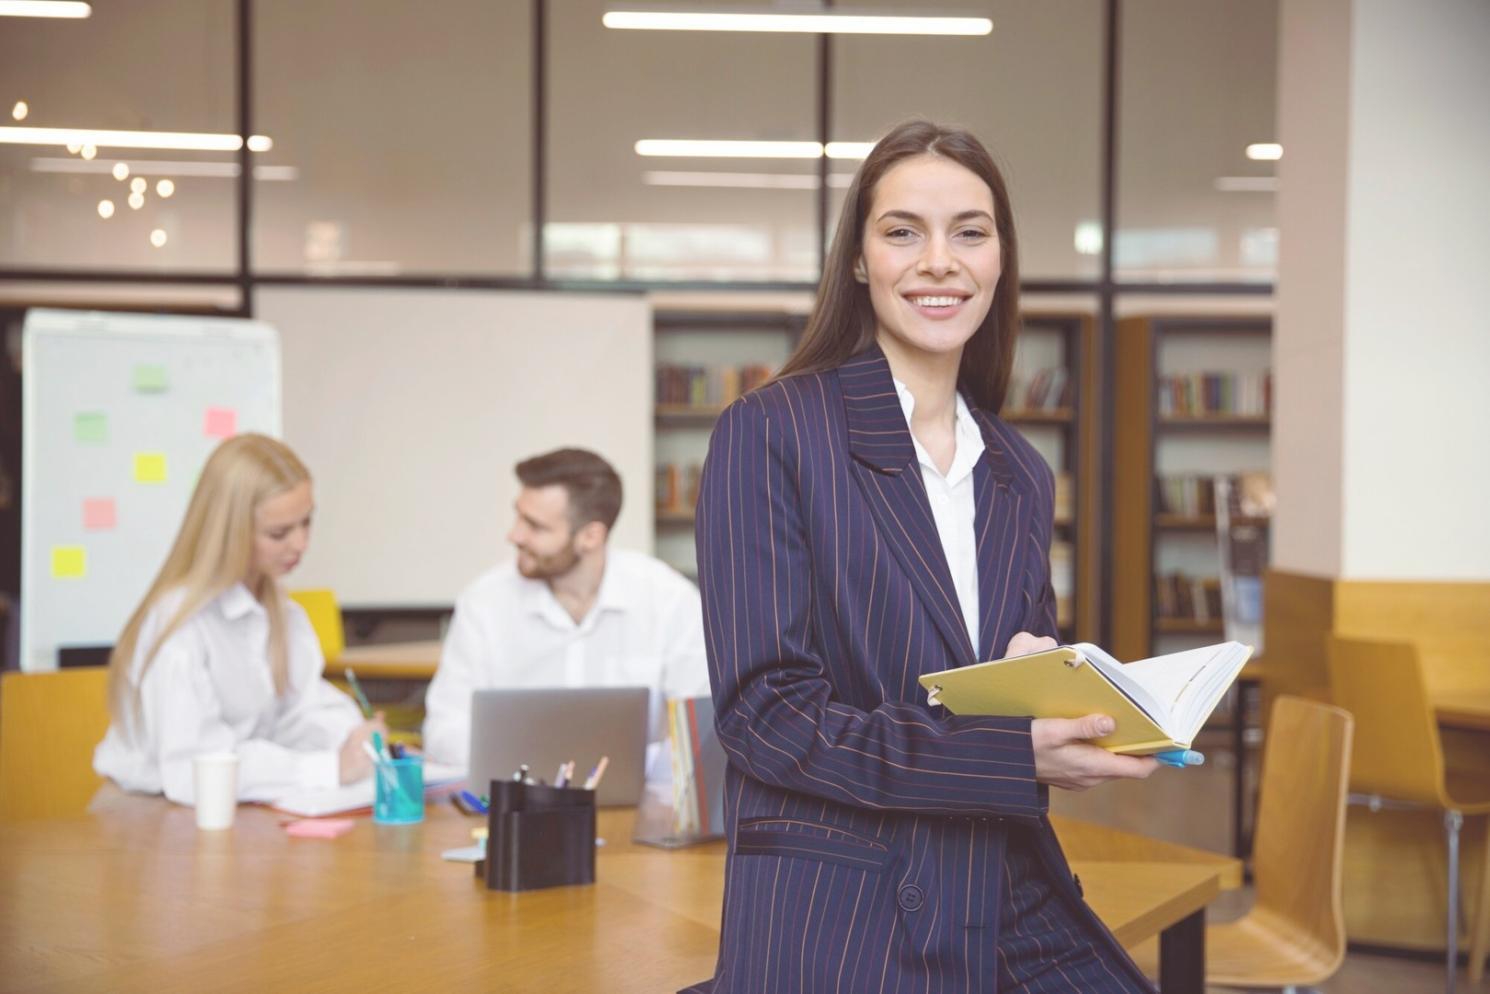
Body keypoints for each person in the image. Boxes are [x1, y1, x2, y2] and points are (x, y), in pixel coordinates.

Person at [684, 120, 1160, 994]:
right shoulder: (773, 430)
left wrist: (1052, 690)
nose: (940, 261)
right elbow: (764, 715)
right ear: (860, 261)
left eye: (970, 232)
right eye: (903, 231)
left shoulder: (1018, 469)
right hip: (841, 906)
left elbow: (995, 689)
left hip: (998, 881)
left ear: (1000, 260)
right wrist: (1012, 753)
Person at [94, 434, 385, 805]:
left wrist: (353, 737)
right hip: (152, 816)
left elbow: (298, 711)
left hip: (228, 811)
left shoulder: (282, 612)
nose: (301, 544)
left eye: (306, 522)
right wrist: (326, 768)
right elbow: (198, 770)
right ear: (229, 532)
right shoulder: (179, 626)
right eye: (279, 533)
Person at [421, 447, 709, 783]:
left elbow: (698, 733)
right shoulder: (484, 602)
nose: (514, 535)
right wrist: (531, 762)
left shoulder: (669, 600)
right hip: (514, 804)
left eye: (535, 526)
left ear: (590, 536)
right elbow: (443, 728)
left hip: (636, 812)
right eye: (518, 516)